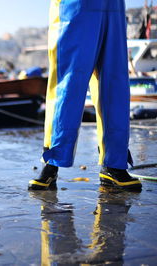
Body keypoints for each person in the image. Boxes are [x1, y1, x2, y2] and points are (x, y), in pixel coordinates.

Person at [28, 0, 142, 191]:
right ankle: (51, 163)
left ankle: (114, 165)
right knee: (68, 83)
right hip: (75, 6)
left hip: (113, 6)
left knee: (115, 83)